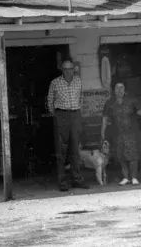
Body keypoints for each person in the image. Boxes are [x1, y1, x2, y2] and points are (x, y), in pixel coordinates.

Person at [47, 59, 88, 191]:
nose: (68, 71)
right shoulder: (55, 83)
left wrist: (77, 110)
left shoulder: (78, 81)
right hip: (61, 116)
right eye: (66, 69)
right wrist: (58, 115)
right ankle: (63, 182)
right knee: (61, 150)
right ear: (62, 70)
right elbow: (50, 101)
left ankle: (77, 179)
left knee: (75, 149)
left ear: (73, 69)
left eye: (71, 68)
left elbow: (81, 97)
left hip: (75, 115)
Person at [101, 81, 141, 185]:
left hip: (131, 133)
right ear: (113, 90)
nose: (119, 90)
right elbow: (105, 118)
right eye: (117, 88)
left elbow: (140, 112)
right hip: (117, 134)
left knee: (133, 156)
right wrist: (103, 133)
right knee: (121, 156)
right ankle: (125, 177)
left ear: (124, 90)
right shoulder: (109, 102)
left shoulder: (131, 100)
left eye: (121, 88)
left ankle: (134, 177)